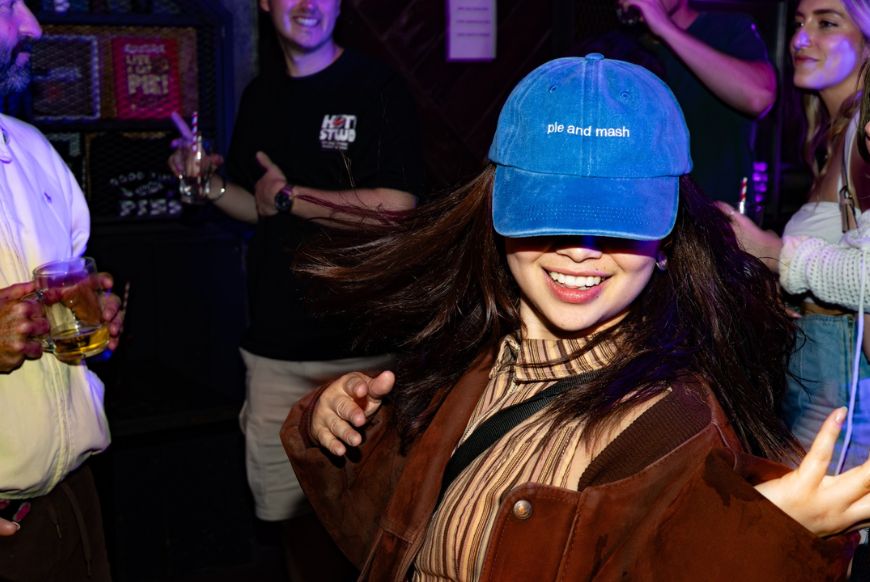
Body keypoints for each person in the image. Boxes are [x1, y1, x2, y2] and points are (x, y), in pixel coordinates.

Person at [280, 55, 862, 581]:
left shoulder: (668, 423)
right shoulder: (469, 361)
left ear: (666, 242)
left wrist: (751, 543)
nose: (581, 249)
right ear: (497, 215)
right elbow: (391, 539)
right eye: (549, 216)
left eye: (618, 222)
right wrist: (340, 428)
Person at [169, 0, 423, 578]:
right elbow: (259, 208)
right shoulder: (261, 94)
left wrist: (294, 198)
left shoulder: (376, 85)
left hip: (365, 357)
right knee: (294, 539)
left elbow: (398, 209)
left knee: (377, 539)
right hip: (275, 356)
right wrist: (207, 185)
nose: (307, 4)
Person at [0, 1, 124, 580]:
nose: (32, 26)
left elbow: (69, 299)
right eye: (7, 6)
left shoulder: (33, 150)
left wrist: (91, 313)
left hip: (74, 503)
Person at [723, 0, 870, 475]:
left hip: (848, 395)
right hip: (821, 380)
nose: (800, 38)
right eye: (801, 23)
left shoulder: (864, 138)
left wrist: (774, 253)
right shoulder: (834, 137)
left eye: (827, 23)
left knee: (814, 539)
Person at [614, 0, 776, 203]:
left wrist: (664, 27)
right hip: (647, 213)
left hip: (719, 214)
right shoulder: (621, 46)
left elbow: (758, 96)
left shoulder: (728, 28)